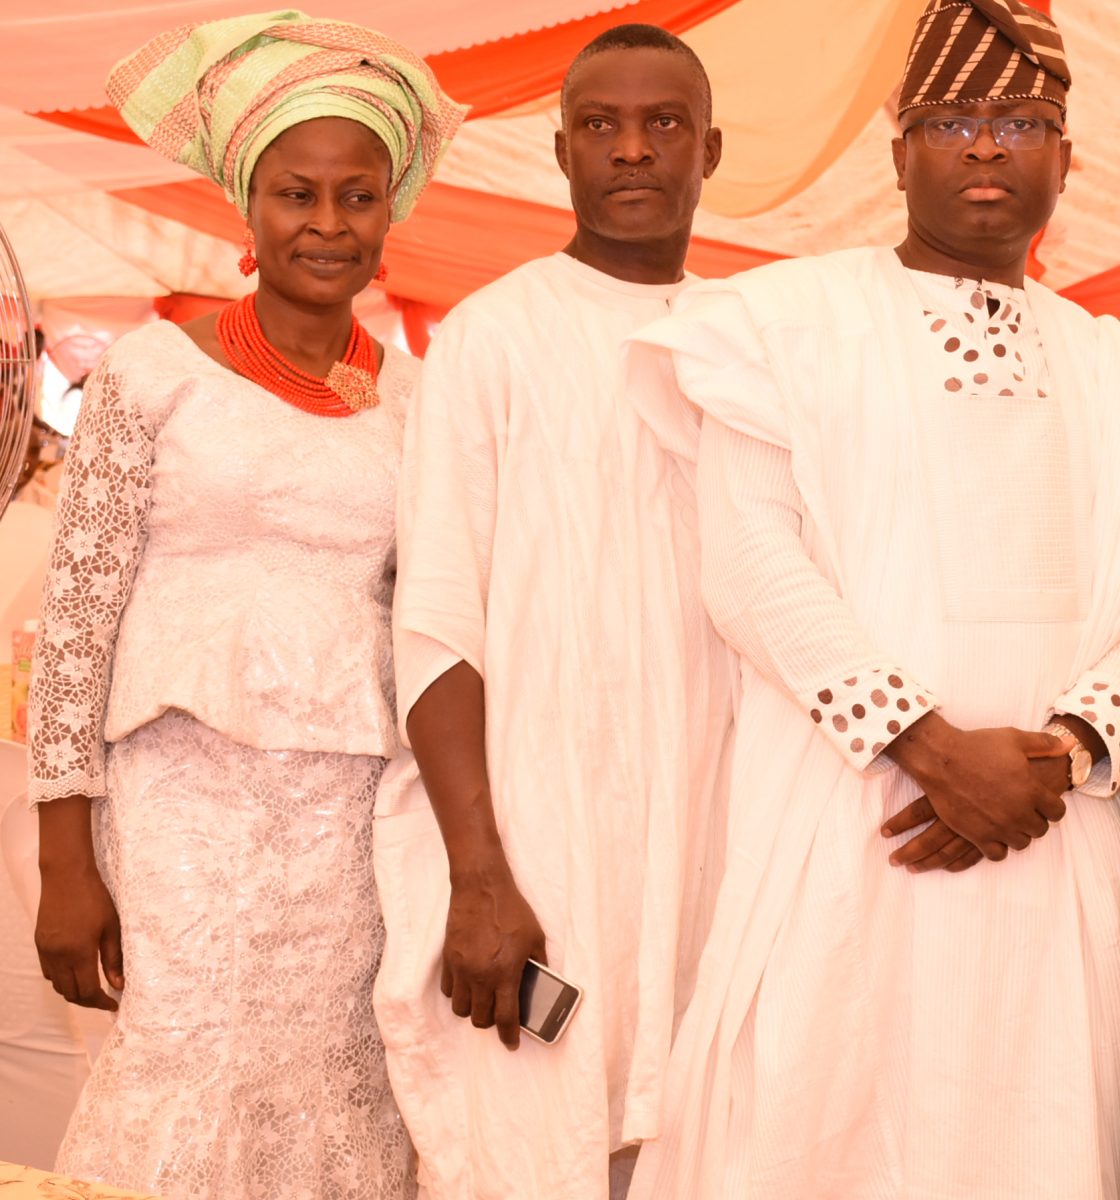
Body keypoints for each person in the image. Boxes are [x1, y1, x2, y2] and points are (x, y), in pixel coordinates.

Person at [622, 2, 1120, 1195]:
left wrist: (1061, 752)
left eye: (1018, 123)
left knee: (1041, 1126)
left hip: (1052, 833)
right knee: (819, 1122)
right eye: (950, 120)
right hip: (853, 817)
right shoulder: (780, 325)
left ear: (1066, 160)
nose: (984, 145)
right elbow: (749, 563)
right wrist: (927, 749)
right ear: (896, 155)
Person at [25, 12, 461, 1197]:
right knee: (185, 1061)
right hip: (176, 798)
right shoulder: (152, 372)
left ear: (390, 210)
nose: (327, 223)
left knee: (332, 1077)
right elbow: (77, 621)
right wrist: (65, 860)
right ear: (247, 207)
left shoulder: (417, 402)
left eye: (356, 197)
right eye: (294, 194)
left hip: (352, 818)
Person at [371, 24, 733, 1200]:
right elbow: (435, 625)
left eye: (662, 123)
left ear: (708, 150)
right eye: (599, 125)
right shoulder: (492, 336)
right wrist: (480, 874)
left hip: (718, 837)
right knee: (529, 1153)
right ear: (560, 149)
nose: (631, 150)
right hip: (539, 838)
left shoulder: (756, 343)